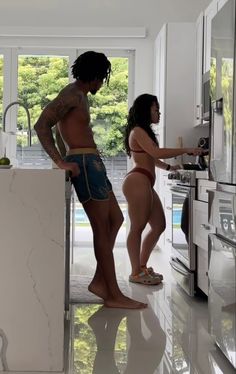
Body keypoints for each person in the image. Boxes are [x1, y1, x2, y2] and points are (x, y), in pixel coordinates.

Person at [34, 51, 147, 309]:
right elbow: (42, 125)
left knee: (116, 219)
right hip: (85, 165)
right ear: (95, 75)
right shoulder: (72, 95)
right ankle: (112, 294)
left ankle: (99, 280)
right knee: (99, 227)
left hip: (92, 164)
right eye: (102, 79)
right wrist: (61, 161)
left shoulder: (80, 96)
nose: (101, 84)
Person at [122, 93, 206, 285]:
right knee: (137, 228)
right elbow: (157, 152)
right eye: (156, 109)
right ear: (146, 110)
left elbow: (152, 157)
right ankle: (135, 273)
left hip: (144, 181)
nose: (159, 113)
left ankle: (141, 267)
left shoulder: (143, 132)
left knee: (159, 225)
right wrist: (186, 149)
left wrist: (169, 168)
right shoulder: (138, 130)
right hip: (137, 181)